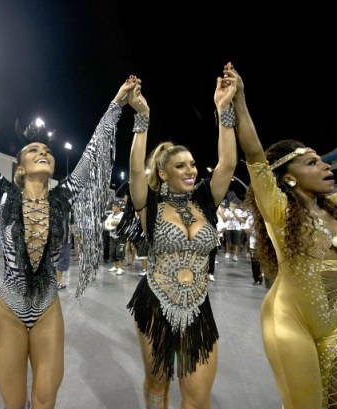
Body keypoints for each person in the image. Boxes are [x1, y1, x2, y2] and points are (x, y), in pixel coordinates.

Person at [0, 64, 138, 409]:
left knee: (44, 400)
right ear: (20, 167)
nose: (43, 152)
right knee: (13, 403)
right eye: (33, 151)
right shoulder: (2, 192)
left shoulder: (64, 195)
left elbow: (95, 149)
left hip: (46, 306)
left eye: (48, 150)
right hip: (10, 306)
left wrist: (117, 103)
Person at [229, 61, 337, 408]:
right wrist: (239, 101)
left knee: (336, 404)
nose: (326, 166)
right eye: (313, 162)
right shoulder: (280, 212)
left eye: (323, 160)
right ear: (288, 178)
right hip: (289, 323)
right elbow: (256, 156)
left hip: (336, 326)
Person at [125, 69, 238, 408]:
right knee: (158, 387)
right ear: (163, 173)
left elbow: (228, 164)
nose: (191, 170)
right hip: (155, 302)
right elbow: (134, 172)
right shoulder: (151, 204)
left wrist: (223, 110)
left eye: (192, 164)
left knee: (197, 396)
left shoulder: (205, 200)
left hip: (198, 306)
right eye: (180, 166)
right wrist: (142, 118)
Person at [104, 200, 126, 275]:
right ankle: (115, 266)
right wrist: (109, 225)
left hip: (121, 236)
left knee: (119, 251)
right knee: (113, 251)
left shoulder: (123, 215)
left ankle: (120, 268)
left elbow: (125, 223)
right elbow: (106, 223)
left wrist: (117, 223)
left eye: (114, 206)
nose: (113, 207)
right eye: (112, 206)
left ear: (119, 207)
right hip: (112, 236)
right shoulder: (111, 215)